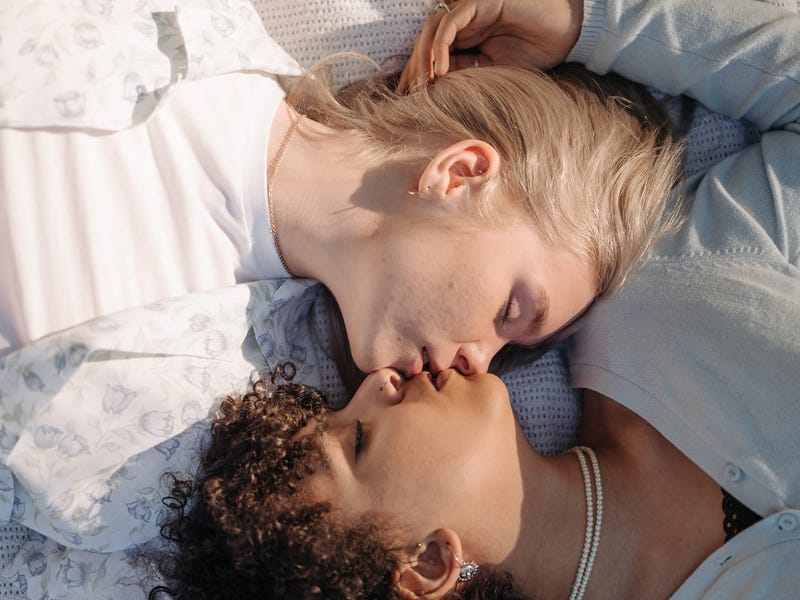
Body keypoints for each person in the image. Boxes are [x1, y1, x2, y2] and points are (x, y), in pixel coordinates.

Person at [0, 0, 682, 377]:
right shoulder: (175, 20)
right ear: (462, 173)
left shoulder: (207, 410)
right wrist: (584, 19)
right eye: (513, 308)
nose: (479, 367)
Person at [400, 0, 800, 514]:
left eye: (510, 316)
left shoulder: (635, 269)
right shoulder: (639, 269)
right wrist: (585, 26)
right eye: (510, 318)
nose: (477, 364)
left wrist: (591, 26)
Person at [151, 366, 800, 599]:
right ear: (432, 561)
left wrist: (593, 48)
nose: (376, 382)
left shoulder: (654, 317)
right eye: (357, 440)